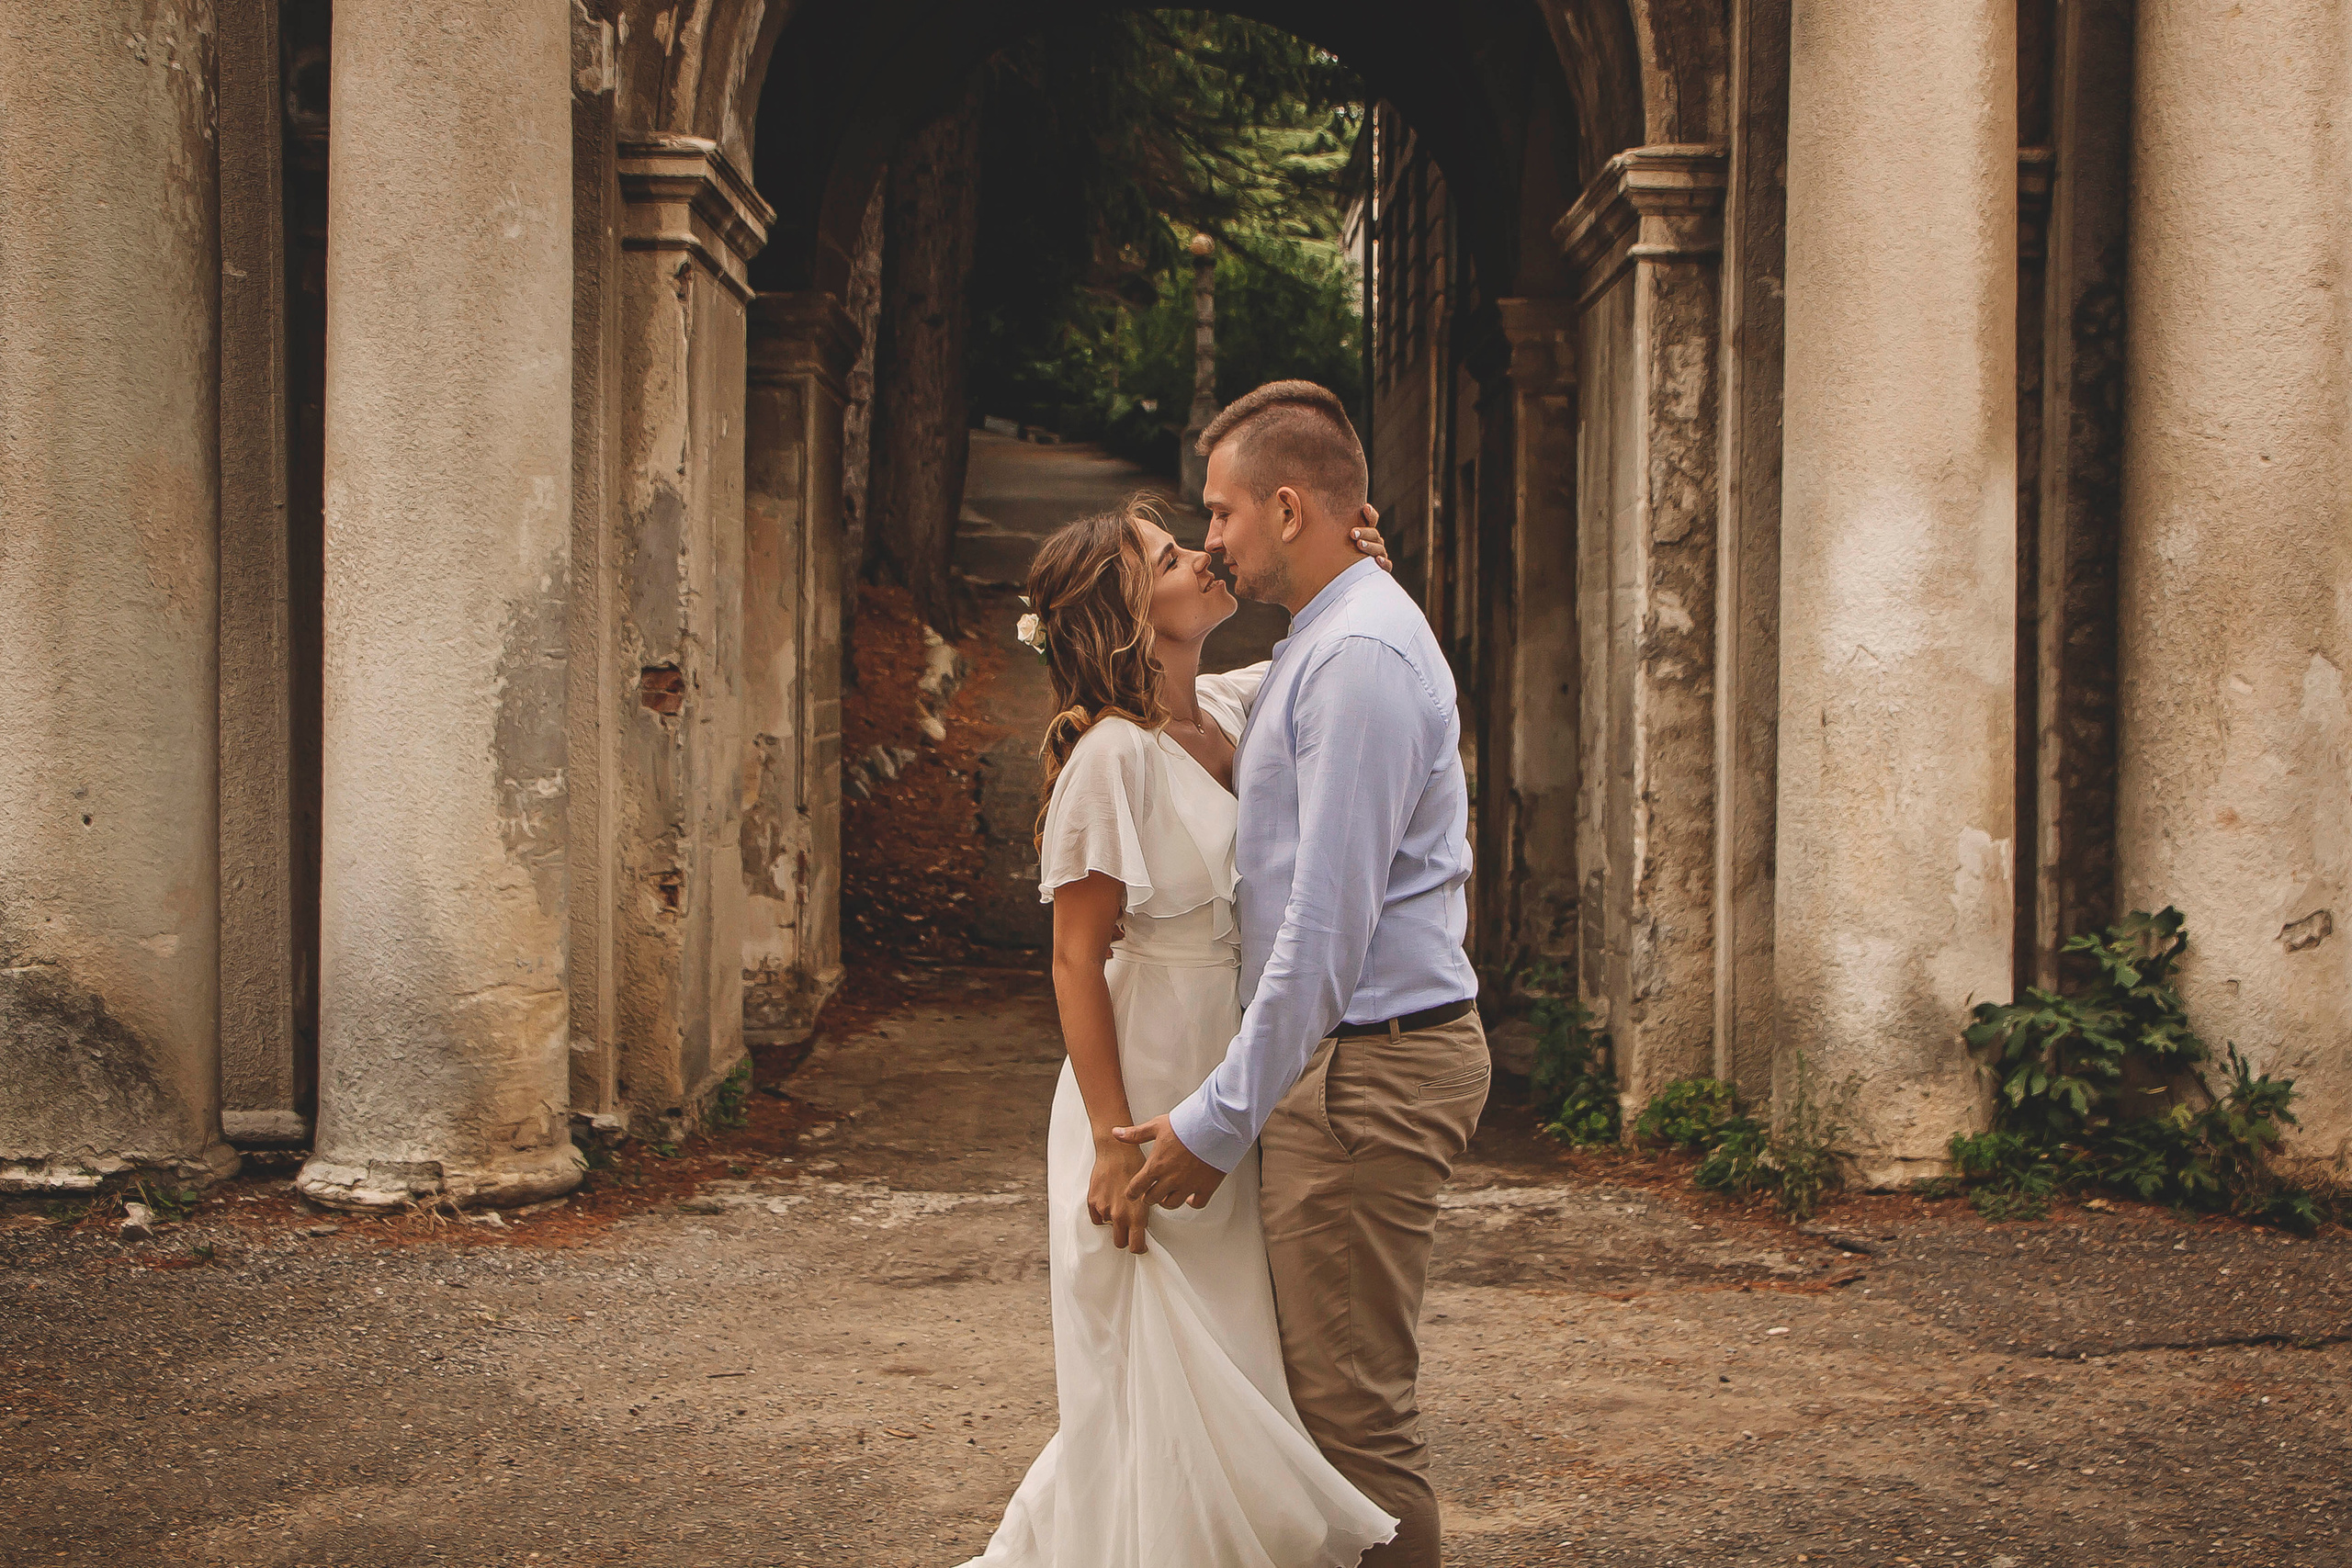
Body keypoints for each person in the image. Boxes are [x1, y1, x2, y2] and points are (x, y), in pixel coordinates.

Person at [956, 493, 1402, 1568]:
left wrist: (1359, 565)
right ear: (1123, 612)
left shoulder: (1235, 708)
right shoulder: (1110, 757)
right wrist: (1112, 1141)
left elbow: (1339, 655)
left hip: (1232, 1070)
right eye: (1167, 558)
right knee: (1153, 1374)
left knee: (1231, 1358)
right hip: (1145, 1070)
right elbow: (1075, 959)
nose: (1203, 556)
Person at [1114, 381, 1487, 1568]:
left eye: (1221, 513)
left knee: (1352, 1424)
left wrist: (1214, 1121)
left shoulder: (1359, 654)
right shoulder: (1325, 641)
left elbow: (1323, 939)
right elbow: (1230, 717)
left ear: (1286, 508)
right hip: (1343, 1066)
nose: (1211, 539)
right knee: (1319, 1407)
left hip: (1368, 1073)